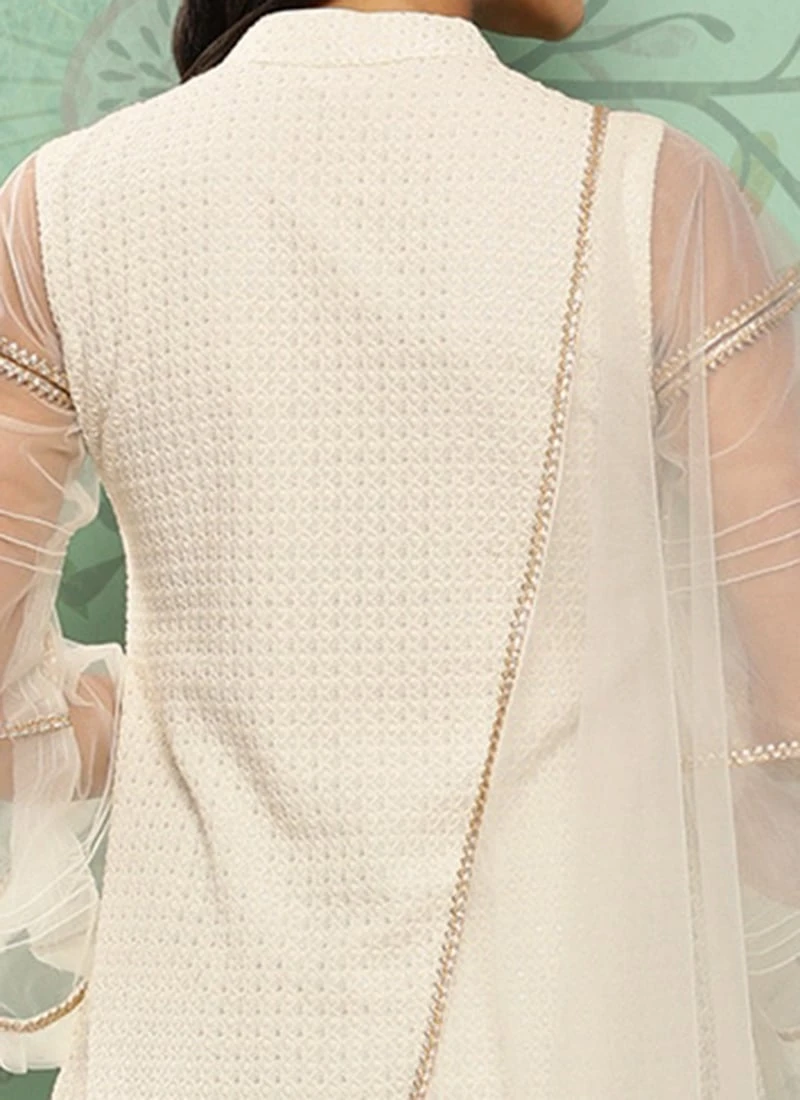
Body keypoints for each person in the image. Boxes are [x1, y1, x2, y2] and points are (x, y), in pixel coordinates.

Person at [0, 0, 798, 1096]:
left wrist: (175, 721)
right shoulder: (653, 197)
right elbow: (786, 711)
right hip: (557, 1029)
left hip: (193, 1039)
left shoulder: (62, 209)